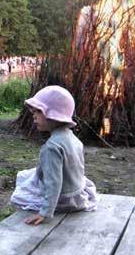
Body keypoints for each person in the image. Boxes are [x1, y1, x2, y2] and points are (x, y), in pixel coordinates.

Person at [10, 85, 97, 225]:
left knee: (19, 194)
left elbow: (53, 183)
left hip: (62, 200)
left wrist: (45, 212)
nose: (33, 115)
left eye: (38, 111)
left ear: (52, 115)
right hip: (77, 194)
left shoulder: (51, 148)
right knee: (28, 175)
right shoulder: (73, 139)